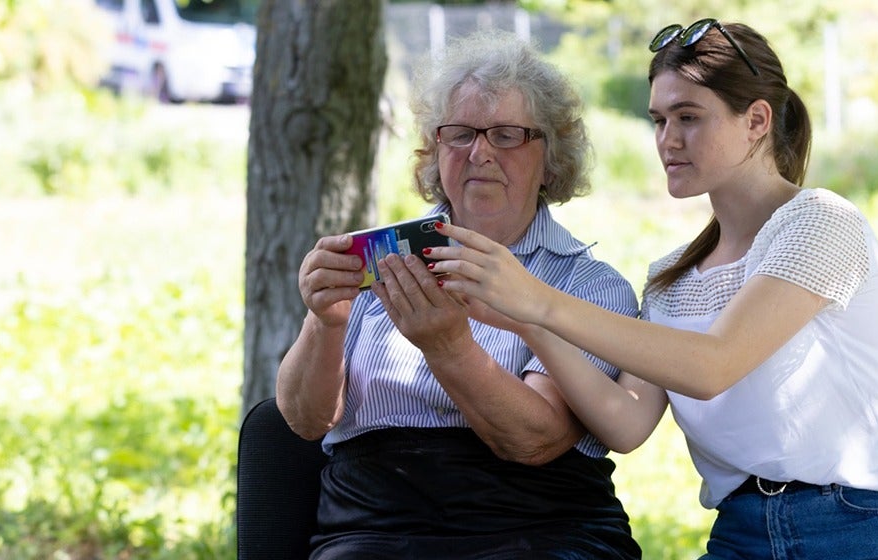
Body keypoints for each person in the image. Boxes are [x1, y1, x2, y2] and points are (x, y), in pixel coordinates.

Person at [427, 19, 878, 560]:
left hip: (862, 526)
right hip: (741, 534)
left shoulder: (820, 223)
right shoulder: (671, 278)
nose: (667, 140)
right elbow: (626, 422)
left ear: (756, 120)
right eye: (659, 120)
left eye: (689, 117)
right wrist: (526, 323)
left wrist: (539, 299)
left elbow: (713, 366)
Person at [275, 29, 643, 559]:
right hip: (375, 524)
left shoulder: (587, 285)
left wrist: (449, 346)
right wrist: (326, 322)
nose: (481, 153)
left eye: (508, 135)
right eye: (461, 134)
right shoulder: (380, 256)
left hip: (537, 526)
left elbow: (535, 439)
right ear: (434, 149)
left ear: (551, 157)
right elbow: (305, 420)